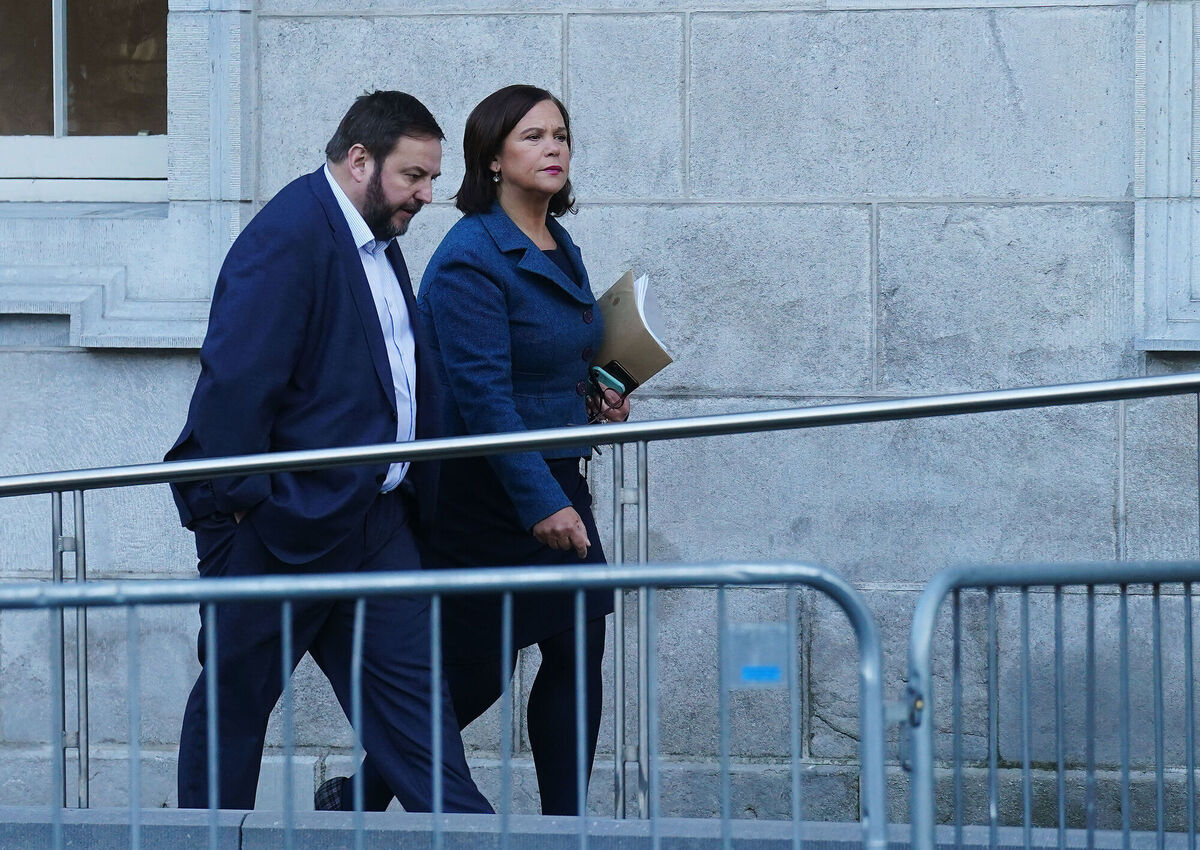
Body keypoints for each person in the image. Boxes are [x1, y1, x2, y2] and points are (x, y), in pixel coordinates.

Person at [164, 90, 492, 814]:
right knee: (232, 712)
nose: (427, 195)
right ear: (359, 160)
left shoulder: (376, 236)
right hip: (282, 527)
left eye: (432, 178)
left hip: (376, 525)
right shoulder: (290, 236)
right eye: (413, 176)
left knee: (421, 729)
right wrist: (242, 513)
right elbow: (233, 388)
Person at [319, 84, 629, 816]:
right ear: (491, 158)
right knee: (479, 668)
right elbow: (484, 397)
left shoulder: (558, 241)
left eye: (561, 136)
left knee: (577, 642)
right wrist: (542, 502)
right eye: (533, 137)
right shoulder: (471, 255)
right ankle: (362, 794)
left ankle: (565, 828)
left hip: (554, 472)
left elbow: (550, 357)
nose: (553, 149)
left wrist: (596, 392)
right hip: (489, 489)